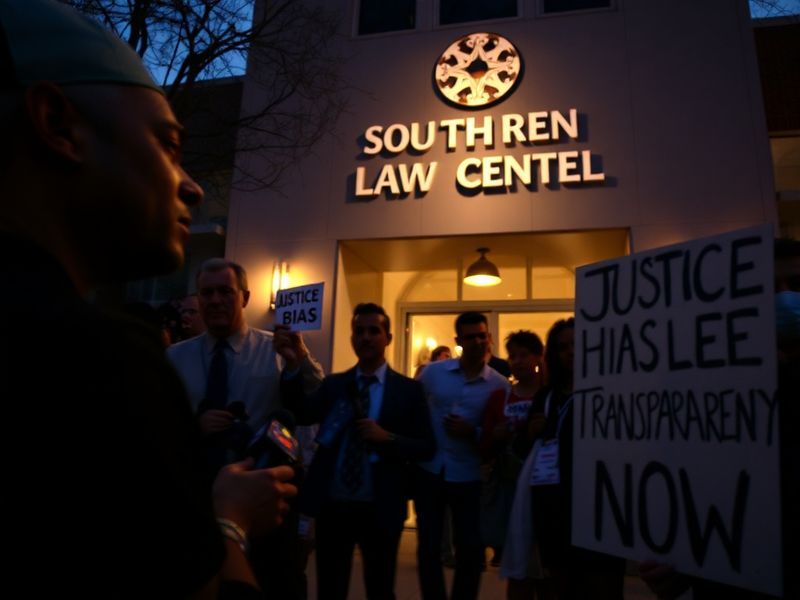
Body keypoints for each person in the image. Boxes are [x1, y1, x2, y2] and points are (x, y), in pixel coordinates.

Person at [0, 1, 295, 596]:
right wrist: (229, 525)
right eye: (167, 145)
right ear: (58, 124)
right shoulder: (100, 358)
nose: (190, 185)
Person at [168, 257, 324, 598]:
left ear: (246, 297)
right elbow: (160, 426)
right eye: (207, 293)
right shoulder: (174, 358)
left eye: (225, 291)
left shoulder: (277, 349)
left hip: (265, 505)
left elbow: (316, 401)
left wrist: (299, 361)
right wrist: (194, 428)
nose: (215, 300)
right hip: (199, 502)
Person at [281, 302, 436, 600]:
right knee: (330, 586)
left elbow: (426, 446)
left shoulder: (407, 390)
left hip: (381, 505)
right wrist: (291, 367)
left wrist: (387, 437)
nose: (365, 337)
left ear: (388, 337)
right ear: (352, 338)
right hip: (333, 504)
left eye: (374, 331)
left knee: (380, 587)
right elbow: (301, 413)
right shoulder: (334, 385)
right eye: (359, 331)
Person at [415, 311, 510, 600]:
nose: (478, 341)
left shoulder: (499, 384)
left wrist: (474, 432)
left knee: (470, 549)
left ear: (490, 338)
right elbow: (412, 411)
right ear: (459, 341)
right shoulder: (433, 374)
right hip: (430, 470)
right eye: (471, 337)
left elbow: (500, 436)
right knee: (429, 547)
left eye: (483, 335)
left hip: (469, 476)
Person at [480, 330, 544, 571]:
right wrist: (495, 437)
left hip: (543, 487)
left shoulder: (550, 394)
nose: (517, 361)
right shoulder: (499, 396)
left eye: (523, 355)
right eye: (512, 356)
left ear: (539, 357)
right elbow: (484, 445)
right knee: (517, 567)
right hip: (508, 485)